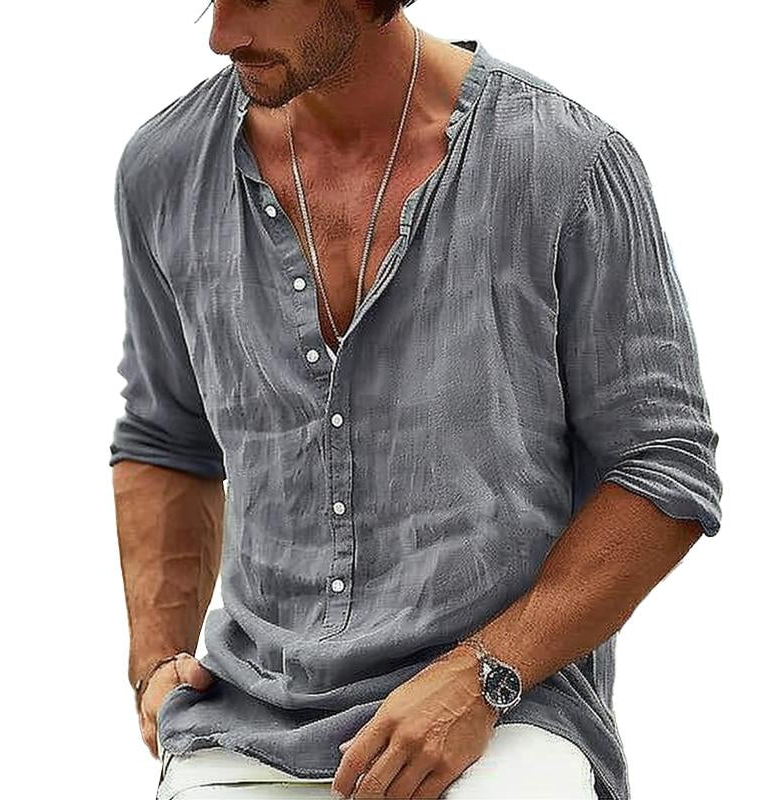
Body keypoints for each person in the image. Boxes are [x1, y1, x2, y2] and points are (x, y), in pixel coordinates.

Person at [108, 1, 723, 798]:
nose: (222, 34)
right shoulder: (165, 169)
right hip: (245, 719)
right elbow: (165, 437)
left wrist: (485, 674)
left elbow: (662, 463)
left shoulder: (563, 161)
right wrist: (155, 661)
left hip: (505, 713)